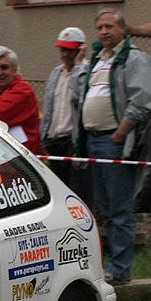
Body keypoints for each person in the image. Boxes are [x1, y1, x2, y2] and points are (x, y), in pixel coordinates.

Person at [77, 7, 151, 286]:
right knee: (104, 207)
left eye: (109, 26)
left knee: (120, 208)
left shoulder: (134, 58)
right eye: (100, 27)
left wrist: (121, 133)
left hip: (114, 142)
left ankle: (121, 269)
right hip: (93, 140)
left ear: (123, 29)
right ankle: (109, 266)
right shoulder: (97, 59)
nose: (104, 32)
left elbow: (144, 100)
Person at [41, 27, 92, 203]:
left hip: (72, 139)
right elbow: (48, 105)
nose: (64, 54)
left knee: (77, 191)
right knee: (59, 193)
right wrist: (44, 135)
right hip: (54, 139)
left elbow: (79, 96)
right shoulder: (56, 73)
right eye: (62, 49)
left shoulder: (86, 71)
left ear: (80, 49)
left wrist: (78, 67)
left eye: (69, 50)